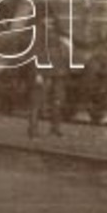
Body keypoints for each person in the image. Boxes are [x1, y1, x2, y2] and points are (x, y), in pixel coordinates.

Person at [27, 11, 67, 139]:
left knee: (57, 100)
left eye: (51, 19)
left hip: (57, 71)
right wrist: (37, 73)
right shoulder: (38, 34)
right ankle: (33, 130)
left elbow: (62, 53)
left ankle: (55, 128)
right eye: (46, 19)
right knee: (37, 101)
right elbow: (35, 54)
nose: (49, 21)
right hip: (44, 71)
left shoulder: (58, 34)